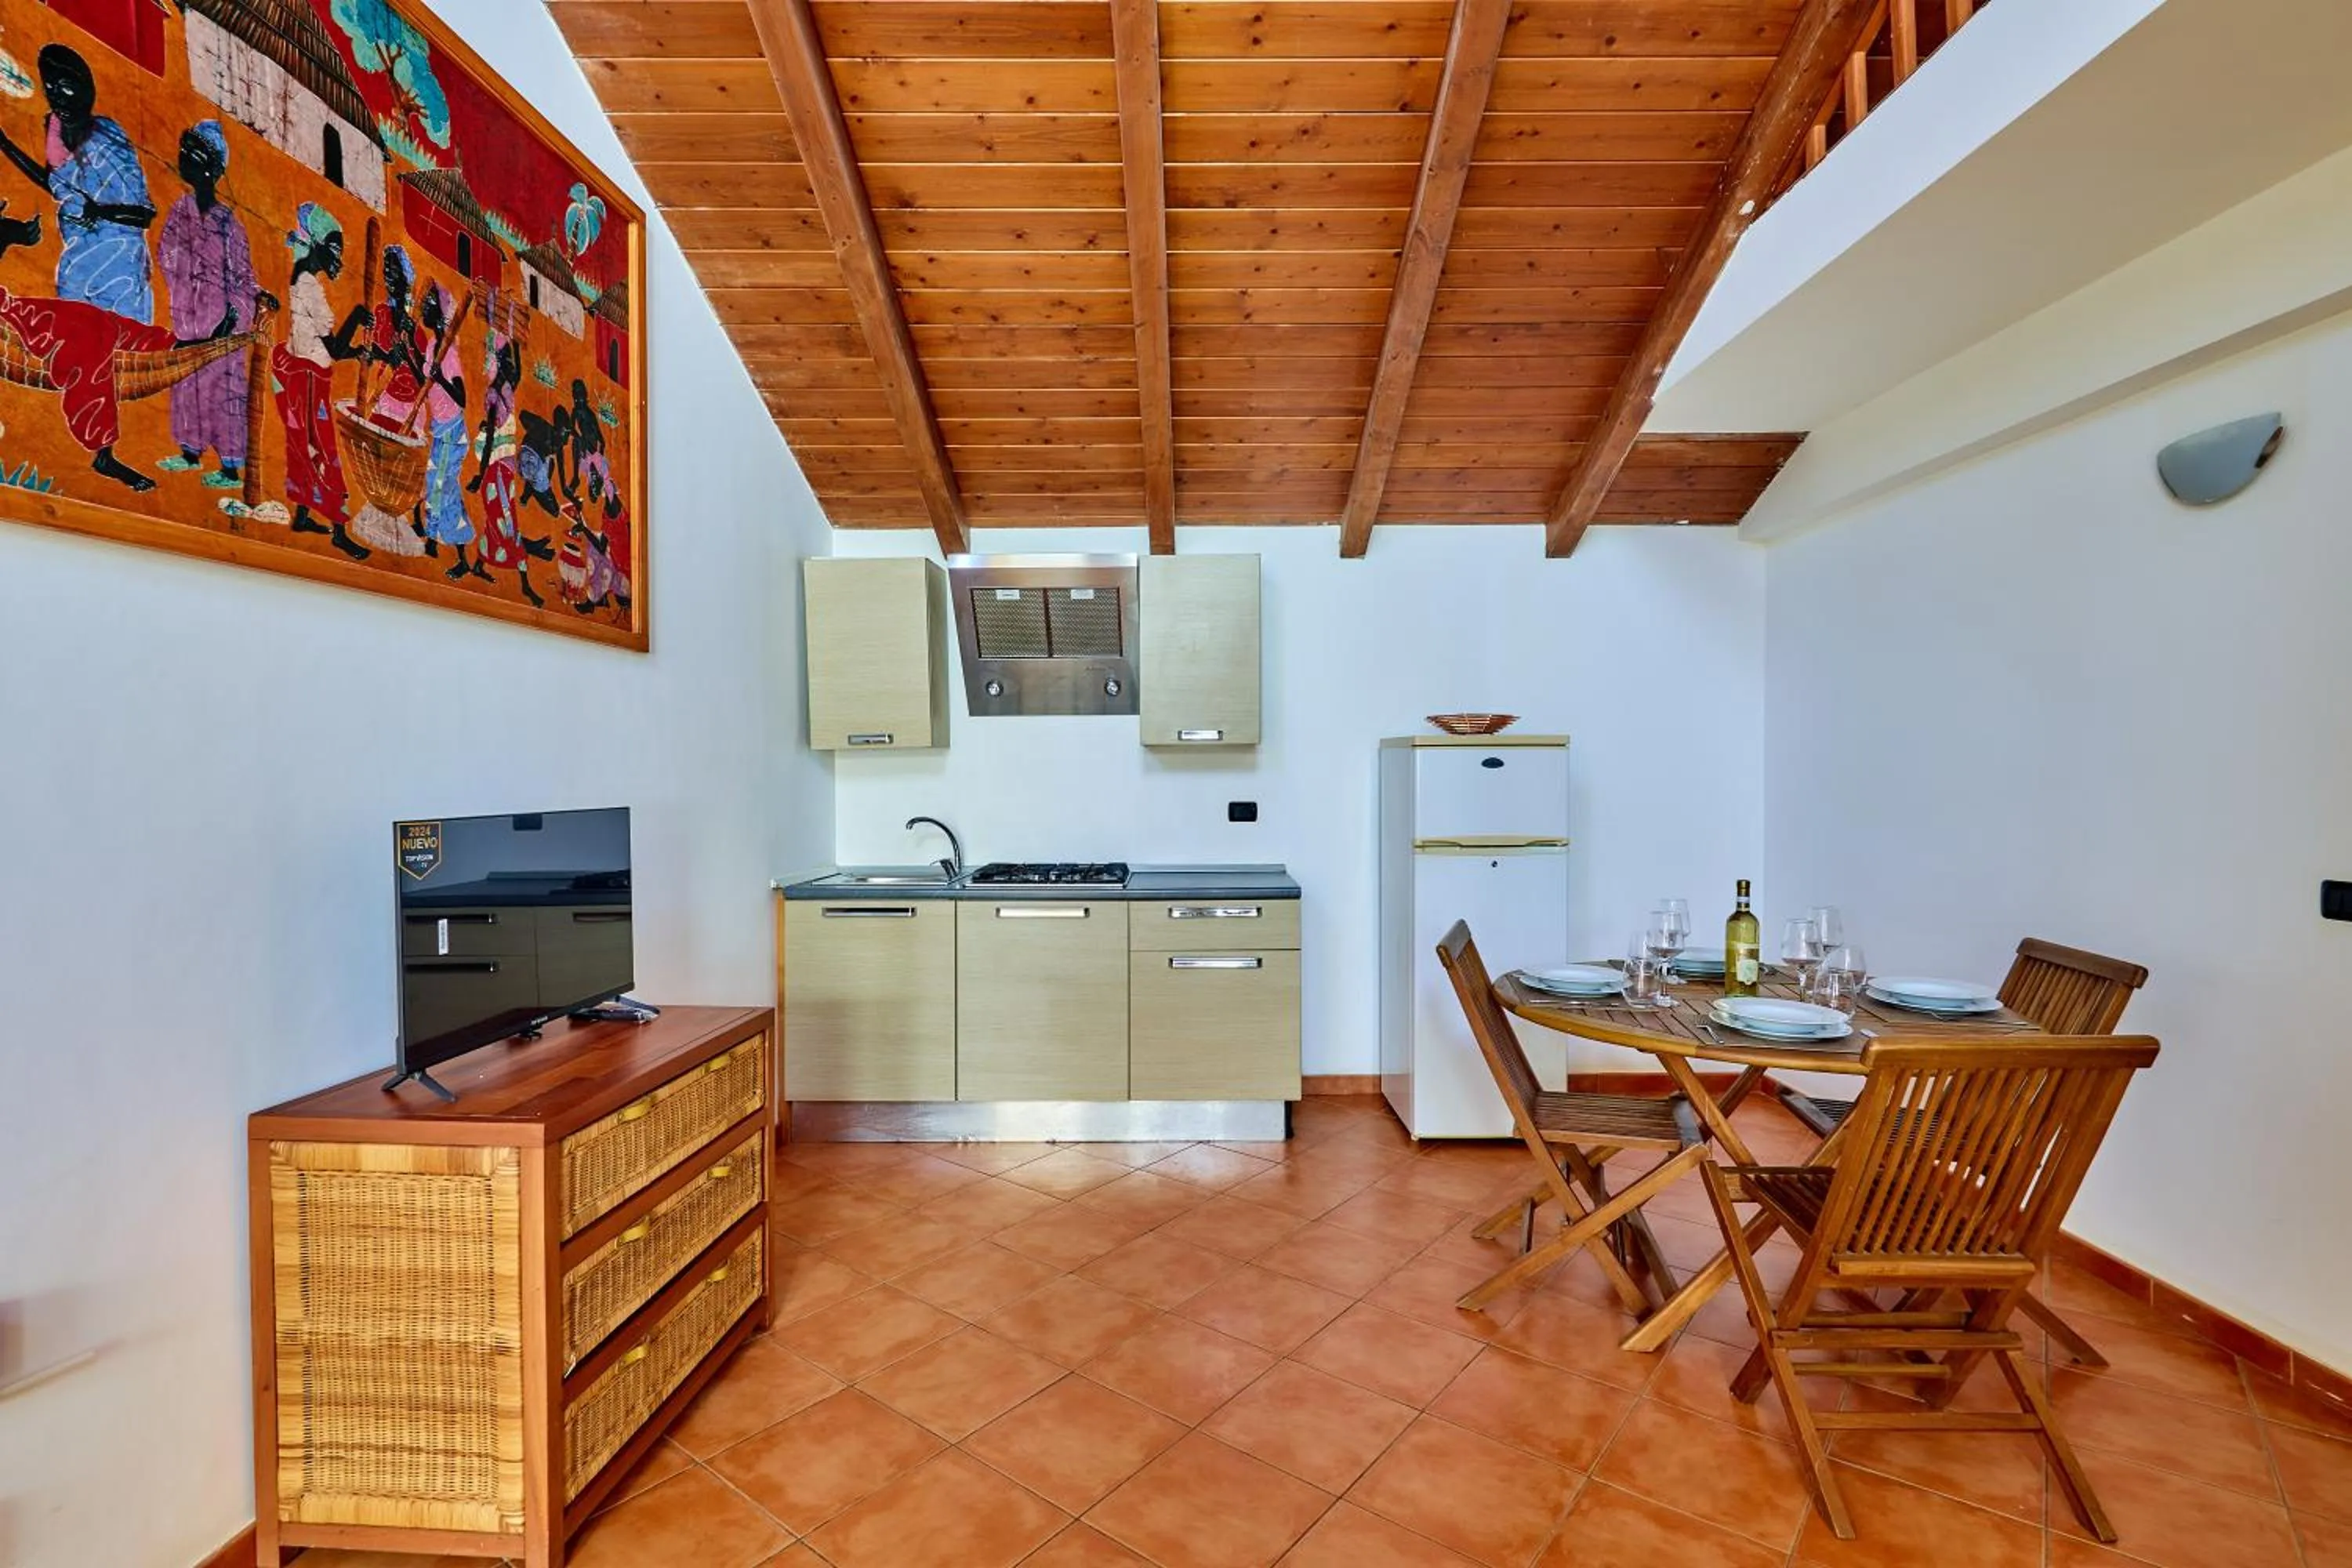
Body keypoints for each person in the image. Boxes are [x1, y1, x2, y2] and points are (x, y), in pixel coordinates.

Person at [0, 45, 154, 321]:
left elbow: (142, 215)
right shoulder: (56, 130)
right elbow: (56, 185)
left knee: (124, 347)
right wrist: (6, 145)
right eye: (50, 89)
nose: (57, 98)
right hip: (78, 260)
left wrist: (98, 212)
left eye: (66, 88)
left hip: (119, 262)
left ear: (86, 89)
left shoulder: (107, 136)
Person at [158, 122, 256, 488]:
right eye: (186, 154)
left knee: (224, 394)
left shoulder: (230, 224)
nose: (187, 162)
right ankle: (189, 452)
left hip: (222, 327)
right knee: (187, 389)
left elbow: (244, 278)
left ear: (215, 169)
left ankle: (230, 467)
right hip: (187, 319)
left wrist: (233, 316)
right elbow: (165, 255)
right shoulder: (178, 212)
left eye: (197, 157)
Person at [272, 202, 370, 557]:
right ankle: (339, 530)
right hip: (309, 379)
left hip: (302, 374)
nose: (339, 259)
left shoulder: (302, 275)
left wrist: (357, 351)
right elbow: (333, 346)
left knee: (304, 447)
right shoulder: (309, 284)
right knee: (325, 451)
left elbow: (328, 346)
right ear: (315, 244)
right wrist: (358, 317)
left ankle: (301, 515)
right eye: (334, 250)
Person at [465, 333, 550, 604]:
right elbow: (489, 439)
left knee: (499, 522)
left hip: (506, 470)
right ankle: (524, 582)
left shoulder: (507, 391)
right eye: (507, 364)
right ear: (500, 366)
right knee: (506, 524)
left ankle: (479, 565)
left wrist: (516, 342)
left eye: (512, 364)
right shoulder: (494, 397)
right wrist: (479, 475)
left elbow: (521, 372)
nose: (513, 369)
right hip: (495, 471)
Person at [411, 281, 472, 563]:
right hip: (440, 429)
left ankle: (437, 541)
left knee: (441, 487)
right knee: (438, 484)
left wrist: (442, 380)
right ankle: (439, 538)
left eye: (429, 306)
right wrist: (411, 352)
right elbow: (426, 381)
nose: (425, 309)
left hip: (453, 431)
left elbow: (461, 398)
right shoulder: (434, 346)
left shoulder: (449, 354)